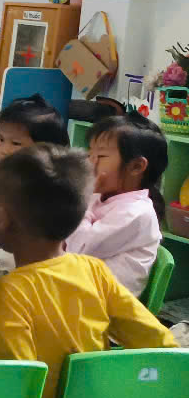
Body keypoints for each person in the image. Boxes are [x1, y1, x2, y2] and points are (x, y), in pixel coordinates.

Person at [0, 145, 176, 398]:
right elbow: (157, 340)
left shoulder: (5, 293)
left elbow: (18, 380)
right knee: (94, 382)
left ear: (2, 217)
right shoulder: (95, 271)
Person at [66, 112, 166, 295]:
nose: (89, 162)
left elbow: (78, 249)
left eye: (101, 156)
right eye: (90, 153)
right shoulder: (102, 198)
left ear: (136, 167)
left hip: (103, 304)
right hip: (80, 290)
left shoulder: (136, 212)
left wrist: (83, 197)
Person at [0, 95, 70, 275]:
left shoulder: (47, 191)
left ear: (46, 149)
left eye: (16, 143)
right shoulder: (8, 179)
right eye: (1, 139)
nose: (4, 150)